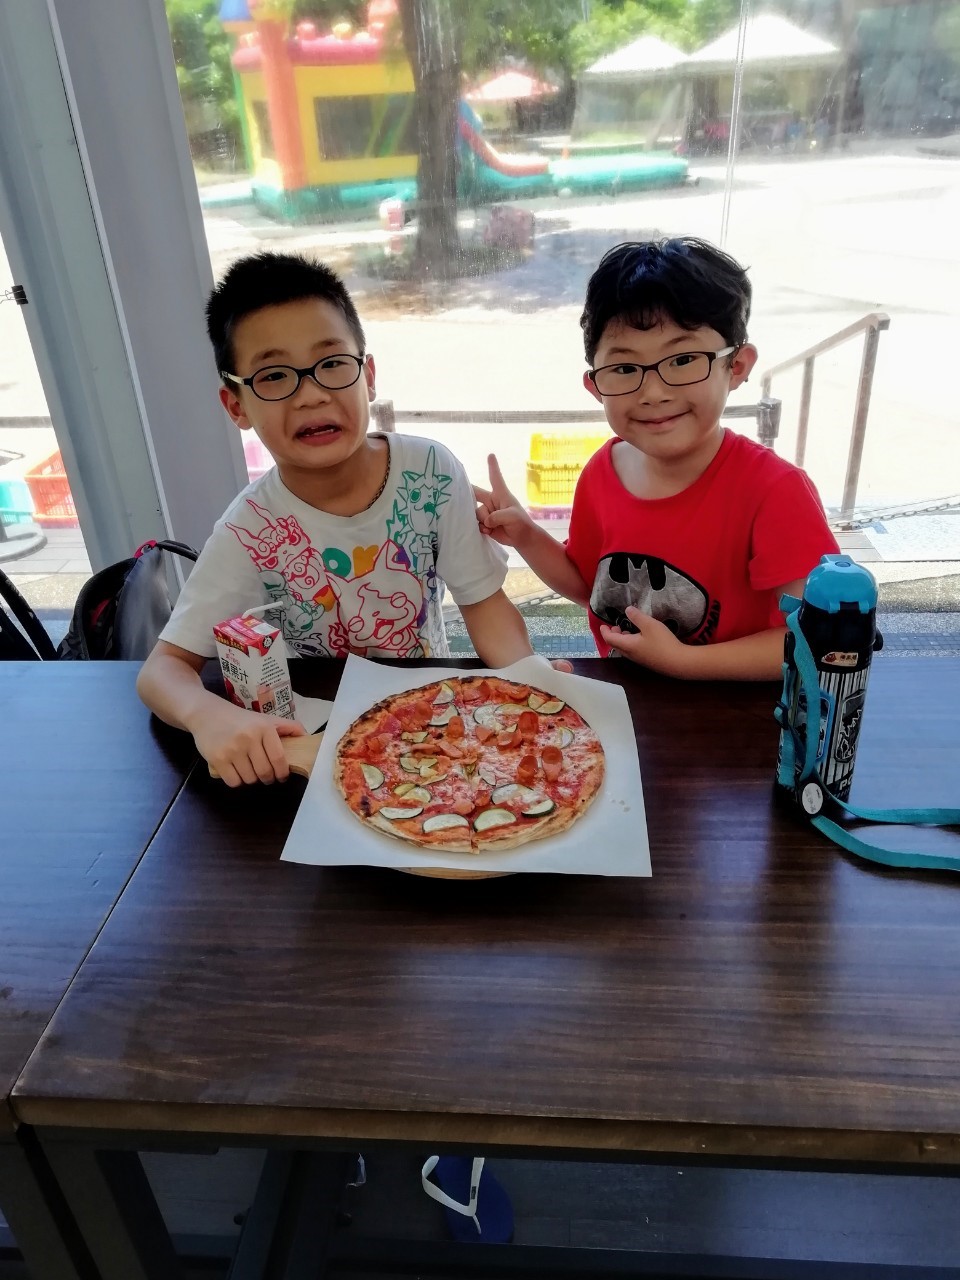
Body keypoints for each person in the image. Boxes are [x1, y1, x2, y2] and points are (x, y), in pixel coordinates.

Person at [138, 251, 540, 786]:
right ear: (236, 406)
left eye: (331, 364)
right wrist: (207, 716)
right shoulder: (251, 529)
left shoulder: (431, 472)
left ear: (367, 376)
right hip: (317, 744)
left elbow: (485, 607)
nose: (312, 394)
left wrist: (535, 681)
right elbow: (161, 672)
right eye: (274, 376)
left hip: (434, 720)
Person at [474, 237, 840, 681]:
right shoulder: (601, 473)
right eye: (625, 368)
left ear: (737, 366)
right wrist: (527, 535)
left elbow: (817, 641)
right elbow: (592, 587)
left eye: (683, 359)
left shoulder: (774, 490)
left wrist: (684, 663)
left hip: (738, 709)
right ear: (595, 386)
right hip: (628, 699)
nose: (653, 392)